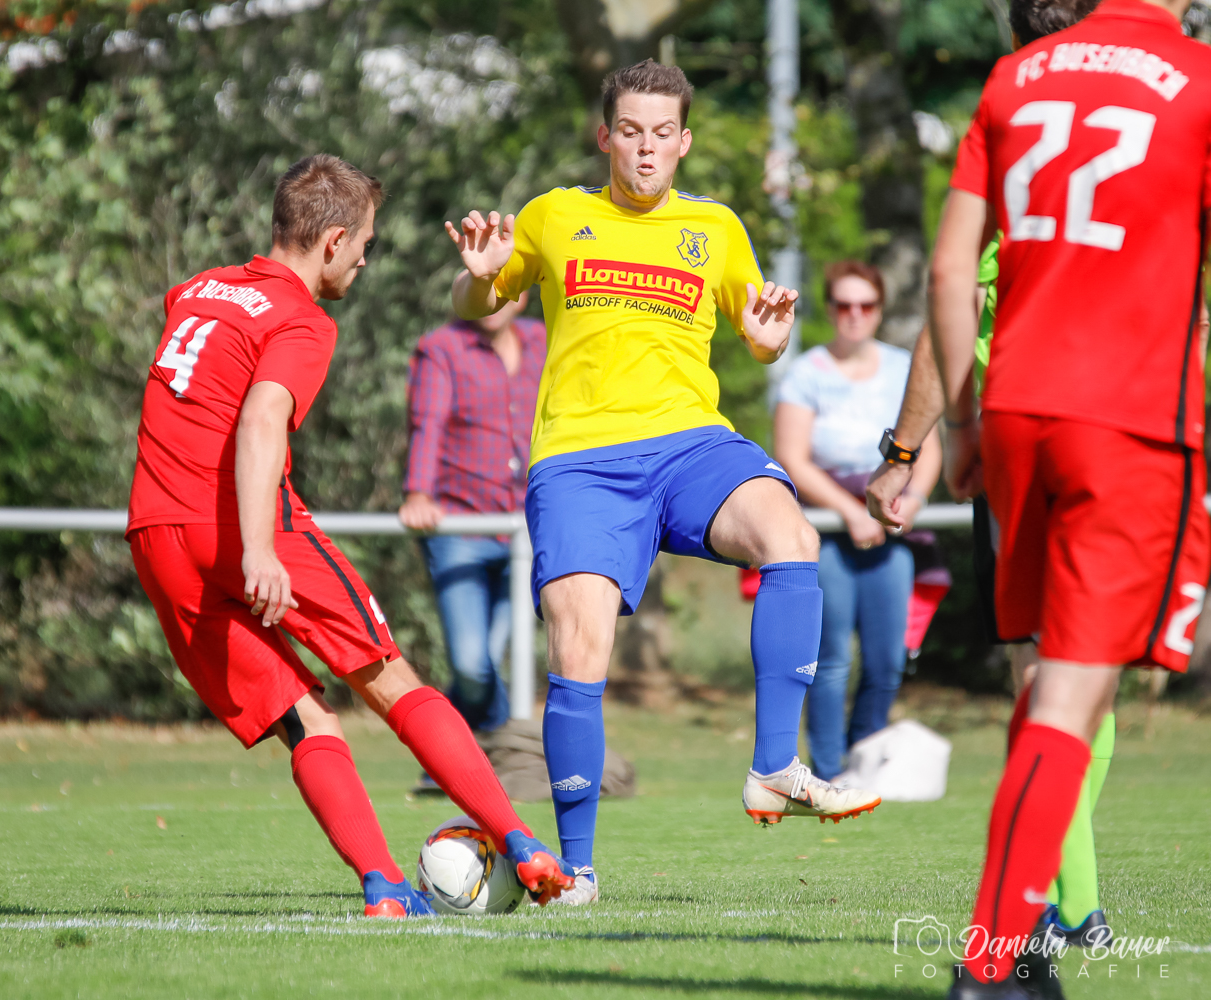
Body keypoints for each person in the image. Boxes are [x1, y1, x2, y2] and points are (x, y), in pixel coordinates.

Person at [446, 60, 882, 907]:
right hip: (579, 459)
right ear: (606, 136)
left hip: (690, 446)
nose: (646, 150)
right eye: (631, 132)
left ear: (683, 142)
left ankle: (773, 766)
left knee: (791, 534)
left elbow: (760, 338)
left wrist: (768, 337)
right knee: (580, 644)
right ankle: (574, 873)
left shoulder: (715, 226)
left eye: (662, 135)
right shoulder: (553, 216)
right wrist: (478, 273)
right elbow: (475, 306)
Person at [126, 154, 573, 919]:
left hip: (155, 534)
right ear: (330, 241)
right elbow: (263, 415)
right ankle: (522, 841)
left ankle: (383, 888)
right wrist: (260, 546)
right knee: (388, 679)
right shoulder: (301, 318)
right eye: (363, 241)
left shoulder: (194, 291)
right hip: (239, 522)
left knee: (306, 719)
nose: (367, 256)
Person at [874, 0, 1210, 994]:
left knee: (1052, 686)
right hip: (1131, 421)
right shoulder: (1196, 81)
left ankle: (1017, 941)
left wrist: (964, 429)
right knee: (1072, 691)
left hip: (1018, 415)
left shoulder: (1015, 78)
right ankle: (995, 959)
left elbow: (946, 270)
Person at [773, 260, 942, 781]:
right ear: (829, 309)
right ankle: (827, 771)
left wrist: (910, 500)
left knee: (889, 659)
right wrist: (850, 511)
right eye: (843, 305)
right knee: (831, 660)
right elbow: (792, 456)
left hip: (890, 523)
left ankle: (865, 762)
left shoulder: (900, 367)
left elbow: (927, 445)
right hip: (827, 525)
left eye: (865, 305)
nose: (854, 315)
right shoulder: (807, 372)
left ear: (879, 310)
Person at [399, 295, 546, 735]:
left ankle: (446, 761)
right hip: (462, 523)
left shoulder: (543, 339)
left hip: (527, 526)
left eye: (504, 289)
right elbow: (429, 422)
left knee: (491, 657)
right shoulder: (442, 348)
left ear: (521, 296)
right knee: (471, 665)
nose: (493, 301)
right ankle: (498, 753)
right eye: (482, 290)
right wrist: (419, 493)